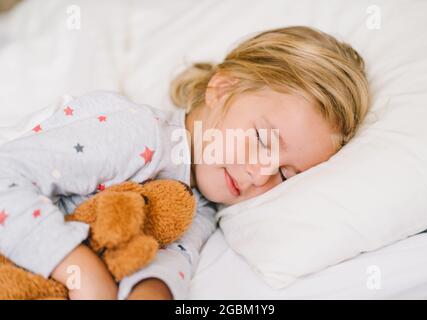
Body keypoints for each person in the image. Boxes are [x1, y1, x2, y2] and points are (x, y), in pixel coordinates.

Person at [0, 26, 370, 299]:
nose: (261, 173)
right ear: (222, 89)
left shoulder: (204, 207)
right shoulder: (139, 134)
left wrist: (149, 290)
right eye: (262, 140)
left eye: (285, 175)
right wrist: (83, 274)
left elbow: (170, 258)